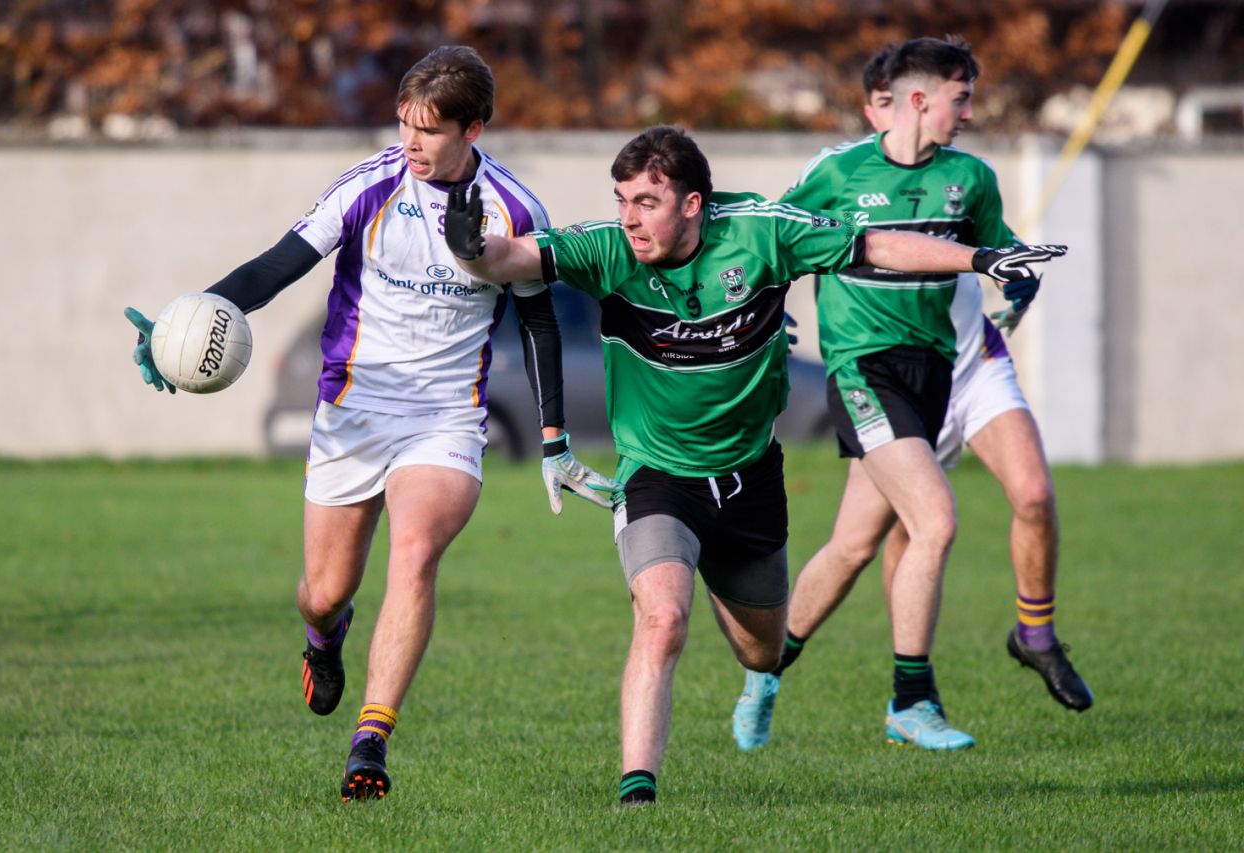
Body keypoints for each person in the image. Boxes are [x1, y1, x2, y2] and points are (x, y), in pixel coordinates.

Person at [442, 124, 1064, 802]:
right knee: (662, 620)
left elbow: (874, 245)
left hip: (750, 479)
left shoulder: (765, 231)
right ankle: (637, 788)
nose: (629, 217)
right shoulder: (608, 249)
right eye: (622, 199)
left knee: (761, 651)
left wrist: (979, 260)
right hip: (657, 478)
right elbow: (510, 258)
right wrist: (469, 245)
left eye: (646, 201)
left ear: (693, 204)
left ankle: (757, 670)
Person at [124, 45, 616, 802]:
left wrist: (554, 438)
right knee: (323, 591)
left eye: (428, 129)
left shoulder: (514, 210)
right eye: (403, 123)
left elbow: (539, 323)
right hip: (352, 411)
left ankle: (370, 742)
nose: (411, 142)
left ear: (473, 128)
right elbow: (276, 266)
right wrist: (182, 324)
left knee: (414, 554)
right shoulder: (369, 186)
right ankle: (325, 640)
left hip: (447, 418)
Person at [732, 36, 1080, 753]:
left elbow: (995, 248)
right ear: (918, 99)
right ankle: (910, 698)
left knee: (853, 545)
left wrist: (1018, 280)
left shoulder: (971, 178)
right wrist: (763, 318)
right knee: (936, 520)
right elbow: (772, 242)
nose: (971, 112)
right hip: (863, 369)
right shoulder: (836, 174)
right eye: (962, 98)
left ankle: (765, 672)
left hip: (940, 368)